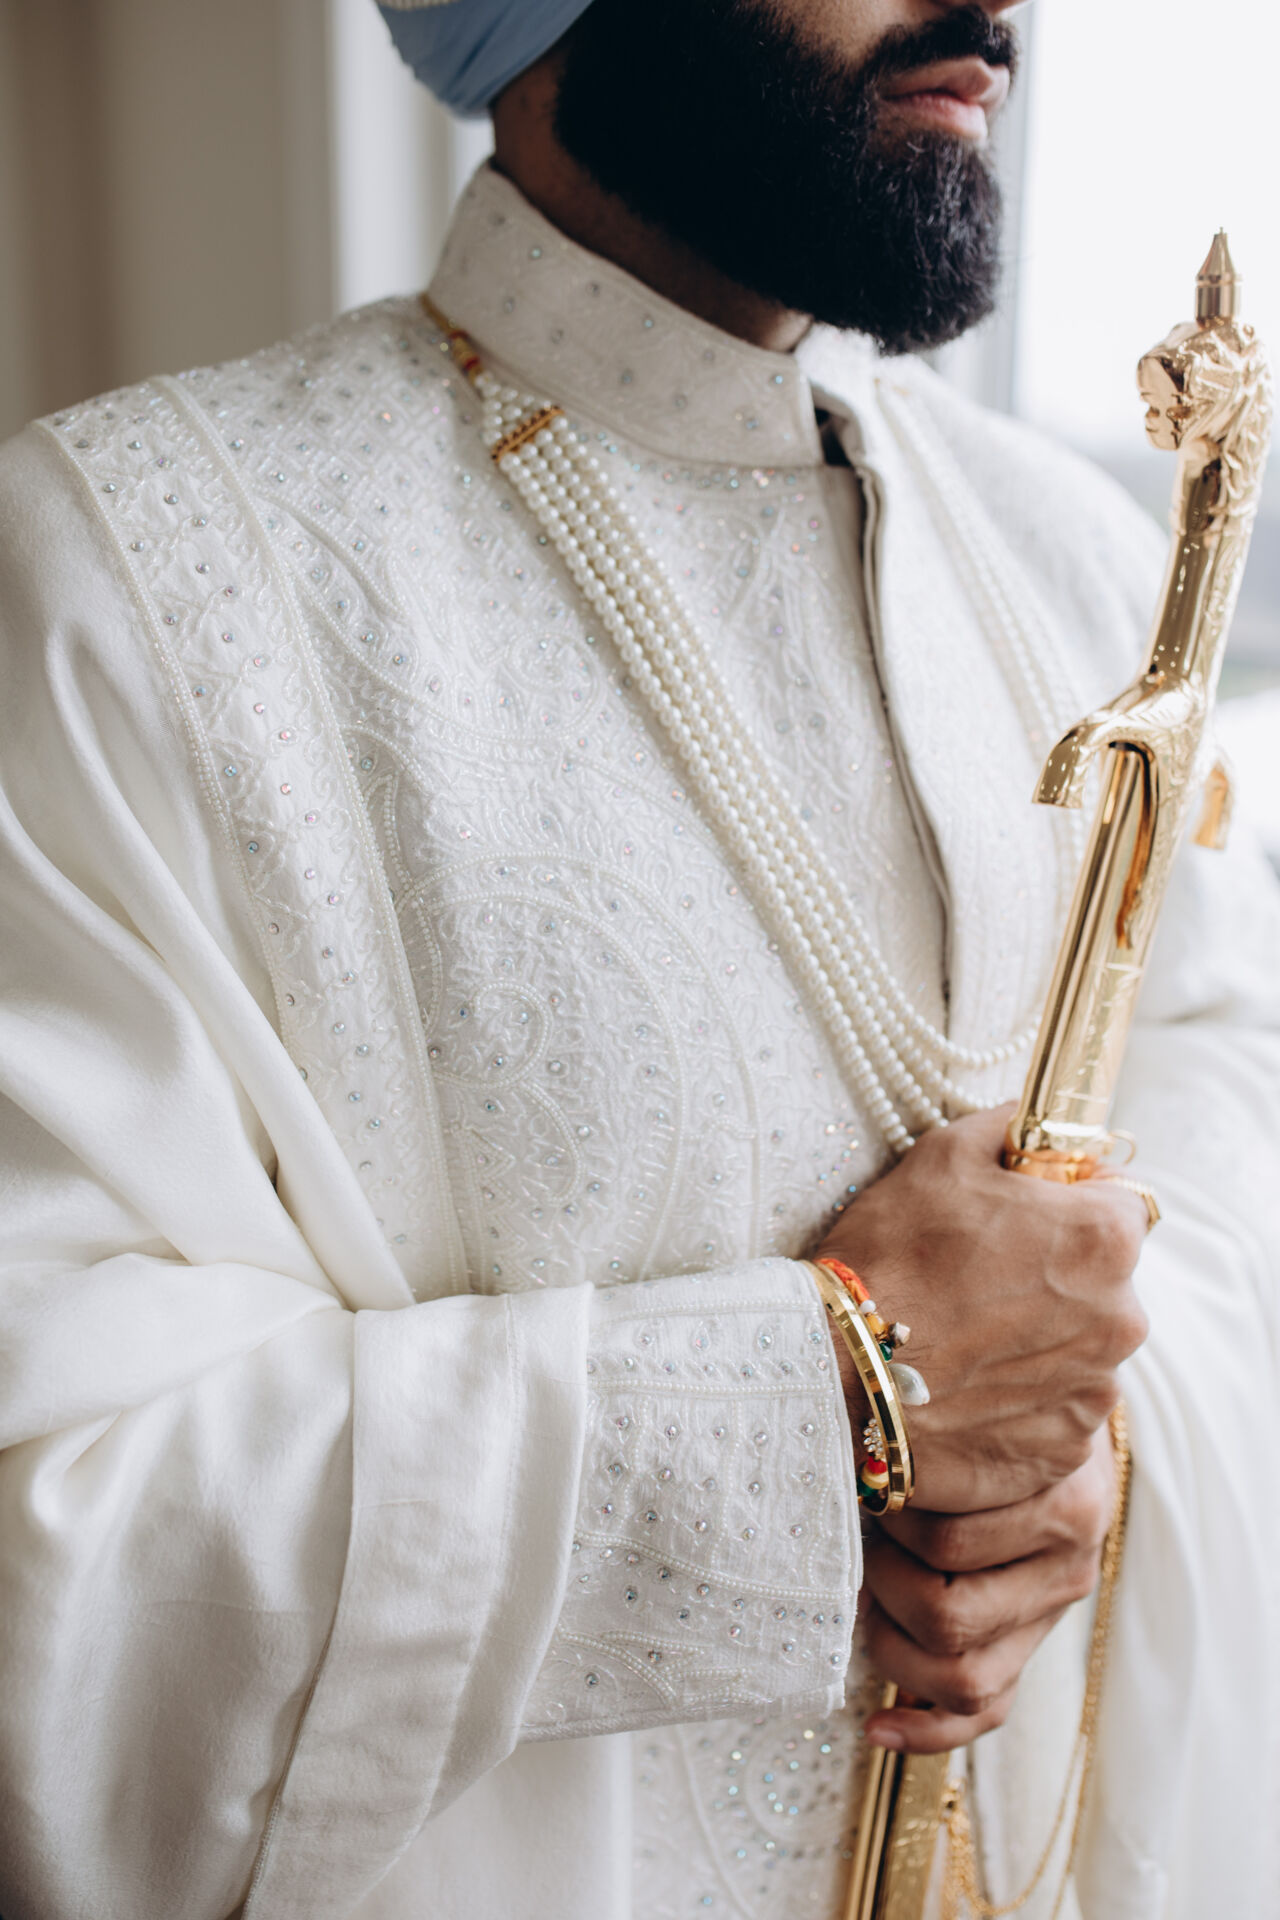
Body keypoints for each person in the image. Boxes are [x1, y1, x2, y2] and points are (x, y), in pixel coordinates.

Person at [0, 2, 1276, 1916]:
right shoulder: (131, 579)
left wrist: (1095, 1449)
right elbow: (56, 1535)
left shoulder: (1076, 563)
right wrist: (819, 1397)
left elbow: (1232, 1119)